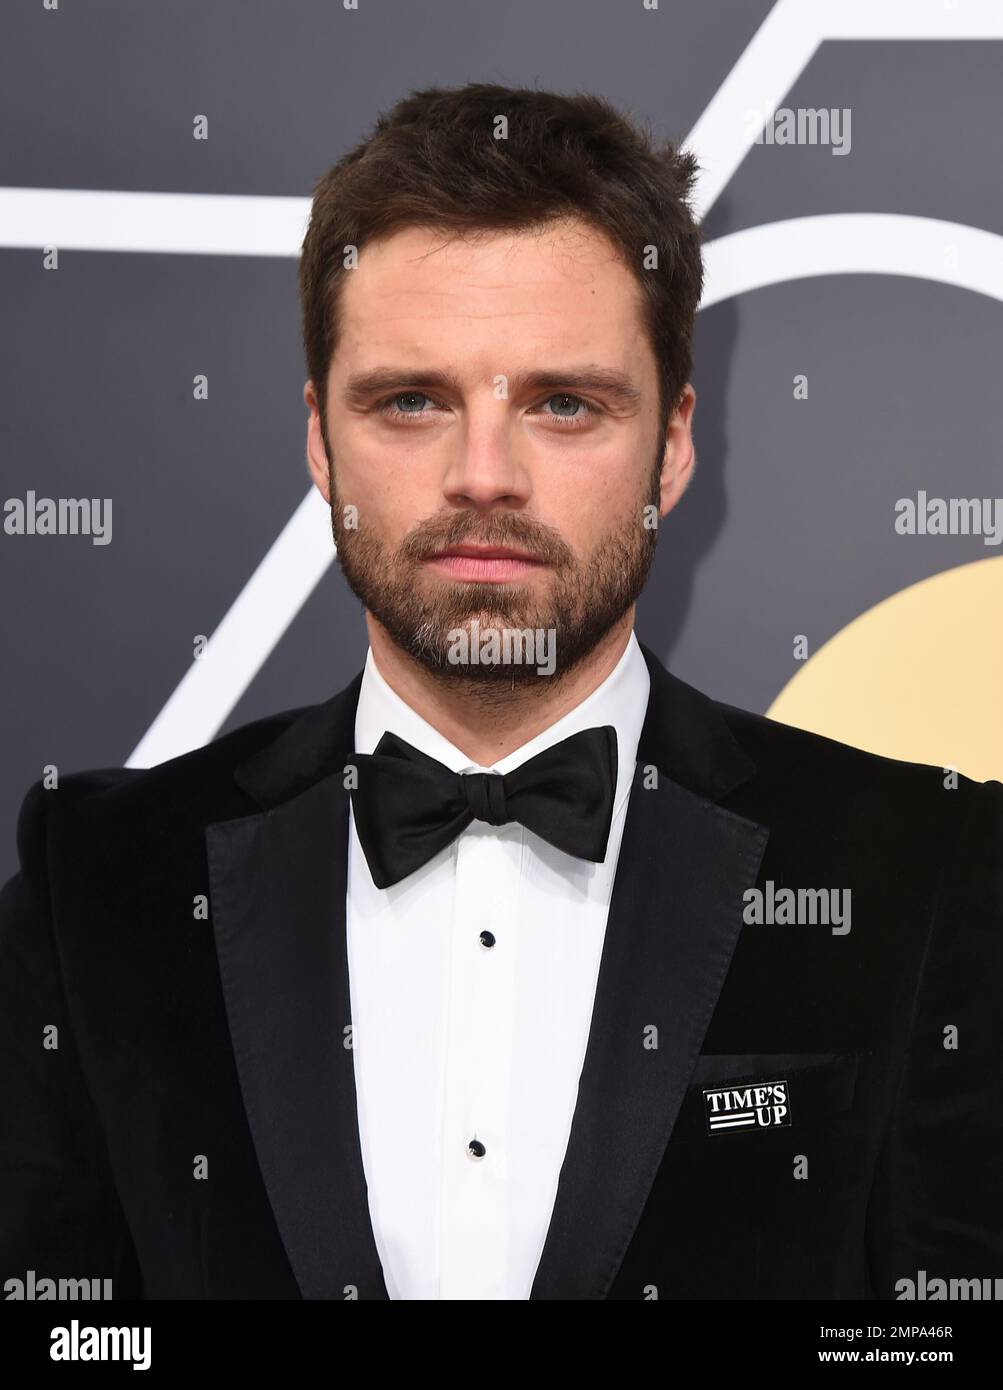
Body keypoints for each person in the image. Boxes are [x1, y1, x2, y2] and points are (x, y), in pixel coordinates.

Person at [2, 82, 1001, 1302]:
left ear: (673, 443)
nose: (485, 476)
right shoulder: (98, 879)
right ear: (321, 440)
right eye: (411, 401)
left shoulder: (924, 866)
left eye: (563, 403)